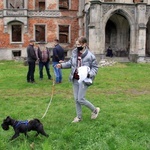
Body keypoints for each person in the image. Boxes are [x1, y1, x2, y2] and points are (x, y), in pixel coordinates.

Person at [56, 36, 100, 123]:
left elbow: (95, 68)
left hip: (84, 80)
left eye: (79, 44)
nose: (77, 46)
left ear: (84, 44)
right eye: (76, 45)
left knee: (80, 99)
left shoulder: (90, 56)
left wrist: (89, 74)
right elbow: (70, 63)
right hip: (75, 79)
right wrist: (61, 65)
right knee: (76, 99)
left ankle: (95, 110)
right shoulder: (74, 52)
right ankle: (79, 117)